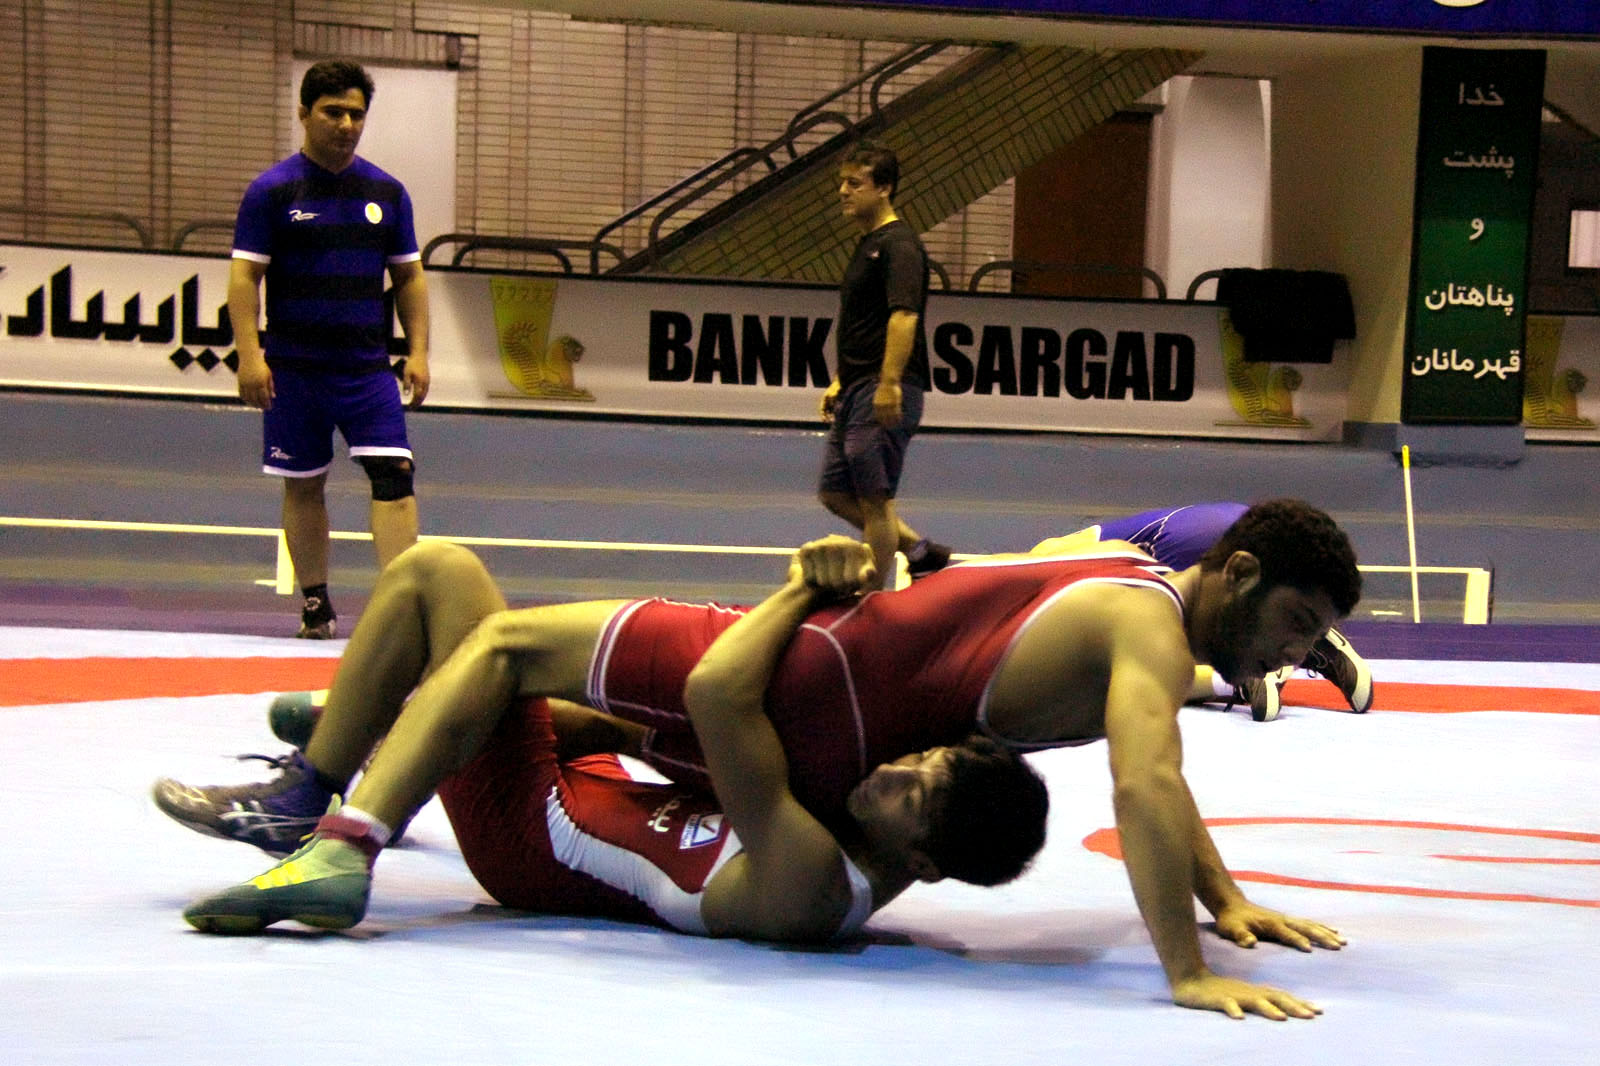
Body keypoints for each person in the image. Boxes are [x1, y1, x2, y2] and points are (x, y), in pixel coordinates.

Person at [155, 498, 1357, 1020]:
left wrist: (1222, 898)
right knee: (507, 646)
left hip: (789, 694)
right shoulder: (1148, 632)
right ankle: (353, 764)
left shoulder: (1128, 576)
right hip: (796, 691)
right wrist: (1190, 960)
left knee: (469, 609)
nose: (1294, 660)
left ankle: (345, 770)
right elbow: (1146, 780)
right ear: (1239, 573)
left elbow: (1154, 773)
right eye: (1298, 629)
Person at [164, 539, 1049, 945]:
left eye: (913, 791)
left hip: (529, 833)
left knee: (443, 576)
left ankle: (327, 812)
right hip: (587, 778)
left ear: (924, 863)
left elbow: (716, 692)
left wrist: (800, 590)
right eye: (916, 760)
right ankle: (385, 730)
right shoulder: (865, 829)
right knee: (564, 705)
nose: (893, 771)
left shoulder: (814, 887)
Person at [228, 59, 431, 638]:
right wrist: (250, 356)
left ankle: (400, 612)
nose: (346, 124)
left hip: (366, 371)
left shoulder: (387, 192)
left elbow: (409, 277)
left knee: (394, 474)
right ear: (304, 113)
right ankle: (316, 603)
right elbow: (244, 279)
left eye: (356, 114)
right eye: (333, 112)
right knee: (304, 484)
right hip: (293, 372)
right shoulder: (271, 192)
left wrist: (418, 351)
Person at [1035, 502, 1375, 722]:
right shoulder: (1085, 564)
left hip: (1192, 548)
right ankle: (1292, 642)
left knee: (1122, 664)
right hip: (1220, 533)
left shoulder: (1069, 579)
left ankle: (1237, 674)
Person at [817, 141, 949, 587]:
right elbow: (863, 323)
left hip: (884, 386)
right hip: (858, 385)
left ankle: (872, 599)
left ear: (884, 188)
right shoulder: (868, 245)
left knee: (875, 501)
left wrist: (889, 383)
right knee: (835, 492)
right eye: (842, 182)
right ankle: (920, 552)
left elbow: (903, 315)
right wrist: (841, 380)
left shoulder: (900, 246)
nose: (843, 191)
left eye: (855, 183)